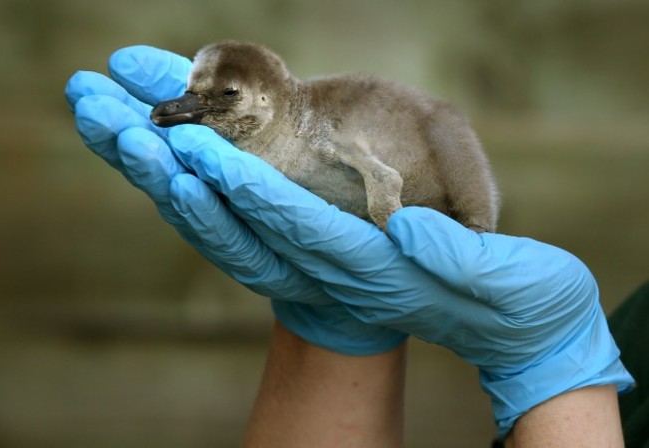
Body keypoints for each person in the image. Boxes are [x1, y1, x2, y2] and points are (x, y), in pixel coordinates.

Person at [65, 45, 635, 447]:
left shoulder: (321, 127)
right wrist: (332, 317)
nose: (190, 106)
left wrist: (555, 374)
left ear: (262, 101)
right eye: (195, 94)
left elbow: (395, 165)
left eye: (226, 97)